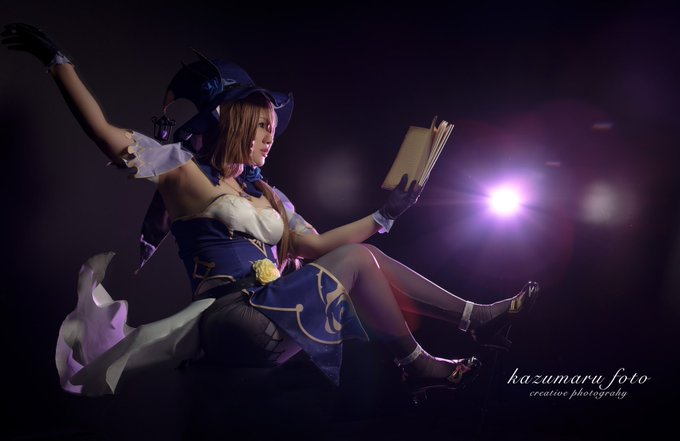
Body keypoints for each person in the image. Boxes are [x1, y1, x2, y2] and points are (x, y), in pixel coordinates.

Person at [2, 23, 539, 399]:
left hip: (275, 319)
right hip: (229, 320)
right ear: (233, 121)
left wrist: (386, 215)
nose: (268, 138)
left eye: (273, 131)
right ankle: (430, 354)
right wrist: (58, 63)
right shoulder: (183, 172)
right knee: (357, 261)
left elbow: (320, 247)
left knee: (361, 259)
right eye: (261, 126)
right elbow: (104, 133)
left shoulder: (272, 196)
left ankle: (468, 323)